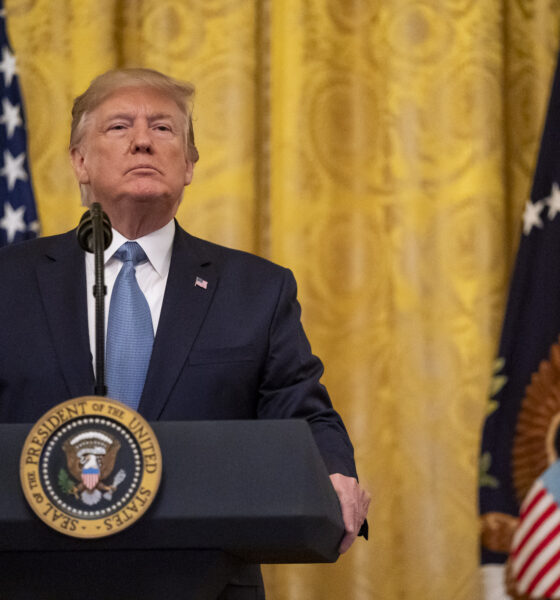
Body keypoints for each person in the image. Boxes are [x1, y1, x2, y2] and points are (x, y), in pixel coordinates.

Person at [0, 68, 369, 599]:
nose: (143, 140)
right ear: (80, 161)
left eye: (165, 129)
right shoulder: (9, 282)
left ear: (190, 164)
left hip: (204, 583)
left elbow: (301, 409)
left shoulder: (256, 290)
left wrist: (334, 473)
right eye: (119, 126)